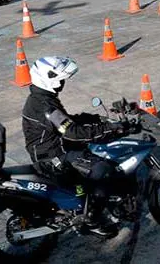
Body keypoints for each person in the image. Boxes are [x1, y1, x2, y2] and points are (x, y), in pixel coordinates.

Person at [22, 56, 139, 237]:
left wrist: (92, 119)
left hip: (49, 150)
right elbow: (72, 133)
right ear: (49, 78)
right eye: (60, 79)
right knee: (103, 168)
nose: (62, 83)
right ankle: (93, 219)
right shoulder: (46, 106)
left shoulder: (41, 98)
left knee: (93, 154)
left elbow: (65, 122)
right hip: (54, 156)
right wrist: (110, 128)